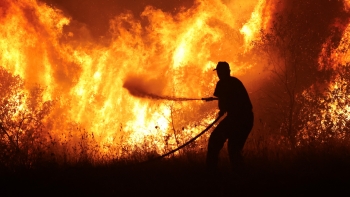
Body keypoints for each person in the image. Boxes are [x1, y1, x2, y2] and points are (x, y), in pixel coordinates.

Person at [206, 61, 254, 172]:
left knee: (214, 140)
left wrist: (222, 109)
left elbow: (222, 106)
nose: (218, 74)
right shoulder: (235, 81)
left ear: (223, 72)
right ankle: (239, 175)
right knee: (234, 149)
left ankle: (210, 172)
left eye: (219, 71)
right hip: (247, 119)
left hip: (236, 119)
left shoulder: (222, 83)